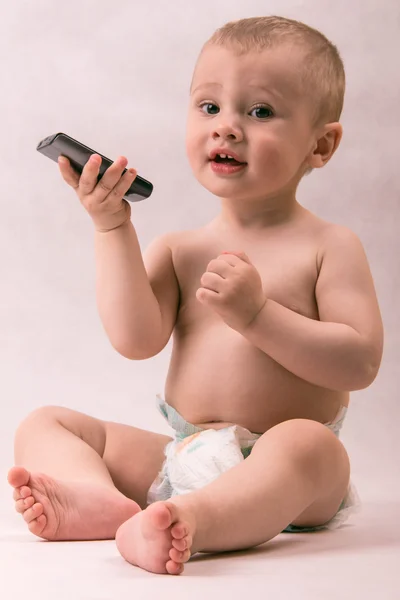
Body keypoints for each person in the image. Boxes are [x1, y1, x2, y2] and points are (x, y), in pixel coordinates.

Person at [8, 15, 384, 576]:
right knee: (46, 422)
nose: (226, 128)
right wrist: (113, 229)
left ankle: (194, 520)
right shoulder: (181, 249)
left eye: (259, 112)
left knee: (310, 446)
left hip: (286, 469)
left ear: (321, 144)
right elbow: (135, 340)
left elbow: (359, 362)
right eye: (209, 107)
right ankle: (94, 498)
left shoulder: (329, 245)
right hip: (184, 453)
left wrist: (257, 316)